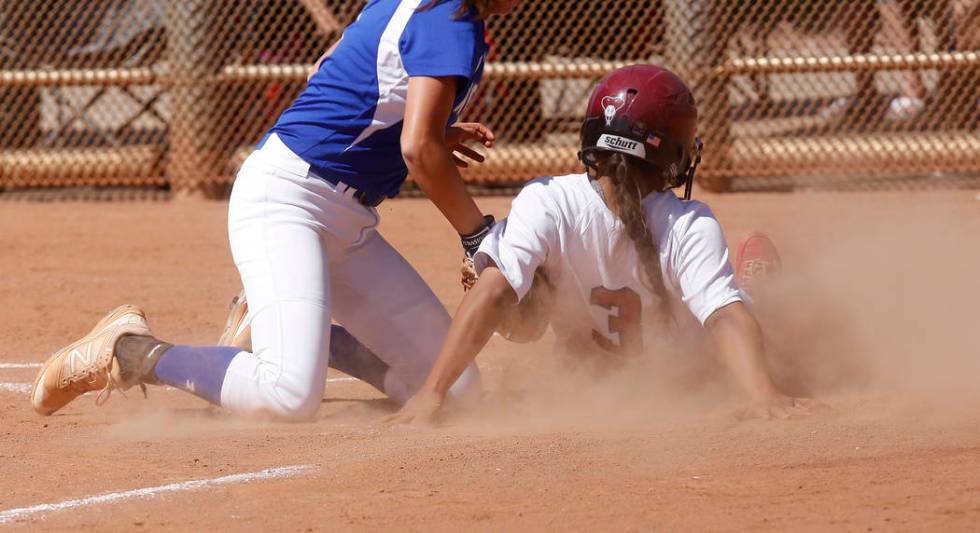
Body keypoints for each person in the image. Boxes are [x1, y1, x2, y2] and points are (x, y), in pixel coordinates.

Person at [31, 0, 523, 421]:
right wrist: (476, 235)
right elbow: (419, 152)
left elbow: (330, 71)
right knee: (289, 397)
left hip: (345, 222)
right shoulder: (450, 19)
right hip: (286, 200)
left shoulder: (419, 5)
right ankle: (128, 350)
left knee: (456, 390)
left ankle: (290, 328)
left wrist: (419, 132)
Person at [387, 64, 820, 425]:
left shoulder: (548, 199)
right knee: (732, 307)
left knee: (777, 331)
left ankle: (761, 294)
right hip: (680, 375)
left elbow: (495, 288)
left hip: (634, 376)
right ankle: (757, 297)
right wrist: (763, 394)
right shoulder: (689, 222)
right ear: (674, 151)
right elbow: (724, 317)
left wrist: (432, 394)